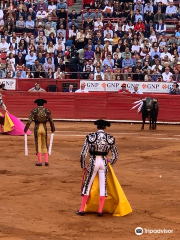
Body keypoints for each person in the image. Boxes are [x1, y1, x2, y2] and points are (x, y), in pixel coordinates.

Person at [76, 119, 132, 217]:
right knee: (103, 186)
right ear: (105, 128)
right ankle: (100, 211)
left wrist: (83, 166)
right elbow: (115, 155)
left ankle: (81, 210)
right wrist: (110, 164)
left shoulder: (90, 137)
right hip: (103, 162)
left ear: (97, 127)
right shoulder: (109, 138)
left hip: (93, 161)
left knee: (87, 184)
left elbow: (83, 154)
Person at [24, 99, 55, 166]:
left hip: (37, 128)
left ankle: (39, 162)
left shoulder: (34, 111)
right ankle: (46, 161)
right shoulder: (46, 111)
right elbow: (51, 121)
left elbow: (29, 121)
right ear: (43, 104)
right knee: (44, 144)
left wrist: (26, 129)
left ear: (37, 104)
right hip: (44, 128)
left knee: (38, 144)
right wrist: (53, 129)